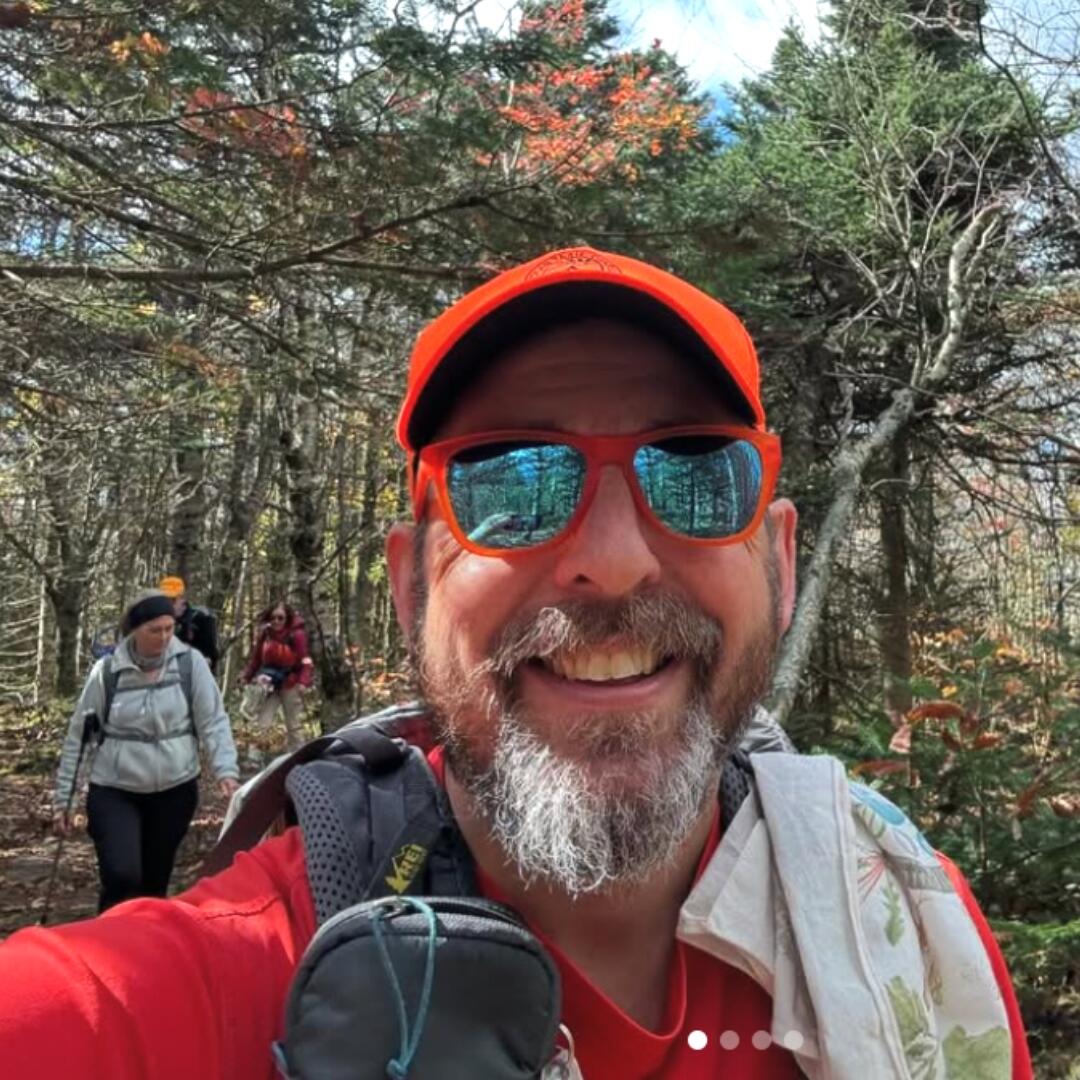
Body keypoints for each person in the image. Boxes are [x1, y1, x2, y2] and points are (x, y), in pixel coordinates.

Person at [0, 248, 1031, 1079]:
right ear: (411, 588)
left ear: (783, 563)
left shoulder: (914, 921)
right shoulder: (240, 970)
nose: (614, 561)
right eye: (509, 480)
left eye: (697, 473)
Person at [51, 589, 241, 912]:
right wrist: (64, 799)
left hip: (175, 790)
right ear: (135, 630)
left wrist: (226, 769)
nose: (165, 636)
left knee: (153, 884)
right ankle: (107, 945)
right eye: (155, 630)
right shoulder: (107, 672)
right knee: (122, 875)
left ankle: (143, 952)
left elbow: (213, 721)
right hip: (114, 789)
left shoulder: (190, 664)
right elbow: (79, 737)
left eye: (169, 628)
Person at [238, 602, 313, 750]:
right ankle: (255, 759)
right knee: (262, 722)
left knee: (294, 725)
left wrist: (303, 681)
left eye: (280, 618)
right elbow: (256, 659)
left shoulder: (296, 635)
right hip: (269, 685)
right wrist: (246, 676)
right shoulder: (265, 634)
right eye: (273, 618)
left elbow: (306, 660)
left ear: (287, 618)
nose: (276, 621)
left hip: (290, 683)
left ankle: (298, 755)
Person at [159, 575, 220, 673]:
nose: (168, 605)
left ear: (182, 599)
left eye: (172, 600)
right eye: (163, 601)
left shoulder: (201, 619)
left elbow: (211, 658)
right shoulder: (156, 622)